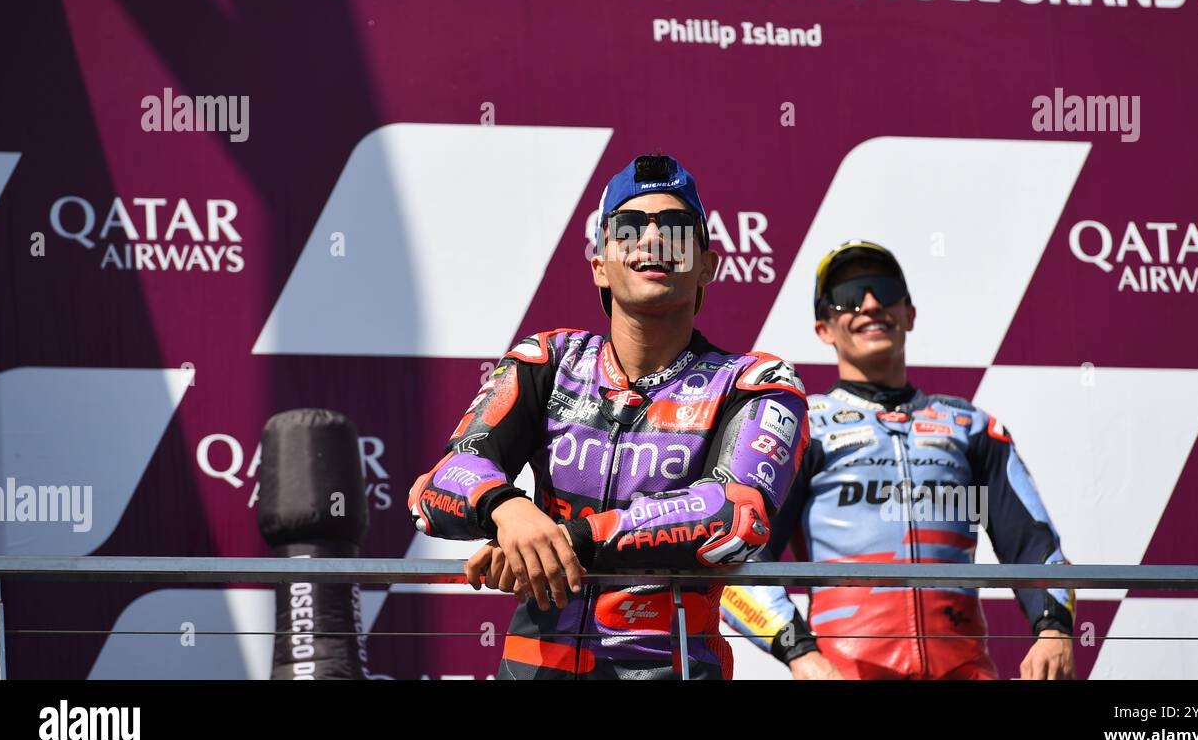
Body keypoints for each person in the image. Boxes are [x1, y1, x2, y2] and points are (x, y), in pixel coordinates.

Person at [406, 154, 809, 679]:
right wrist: (509, 513)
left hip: (671, 668)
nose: (653, 240)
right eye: (628, 228)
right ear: (599, 262)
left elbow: (734, 517)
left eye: (677, 228)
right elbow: (437, 487)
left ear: (708, 264)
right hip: (534, 666)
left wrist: (563, 540)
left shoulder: (756, 382)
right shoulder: (547, 360)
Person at [720, 240, 1076, 680]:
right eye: (848, 297)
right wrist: (803, 657)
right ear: (824, 329)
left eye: (884, 290)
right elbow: (738, 560)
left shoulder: (972, 428)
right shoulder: (803, 428)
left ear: (909, 313)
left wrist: (1054, 629)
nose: (870, 304)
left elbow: (1034, 545)